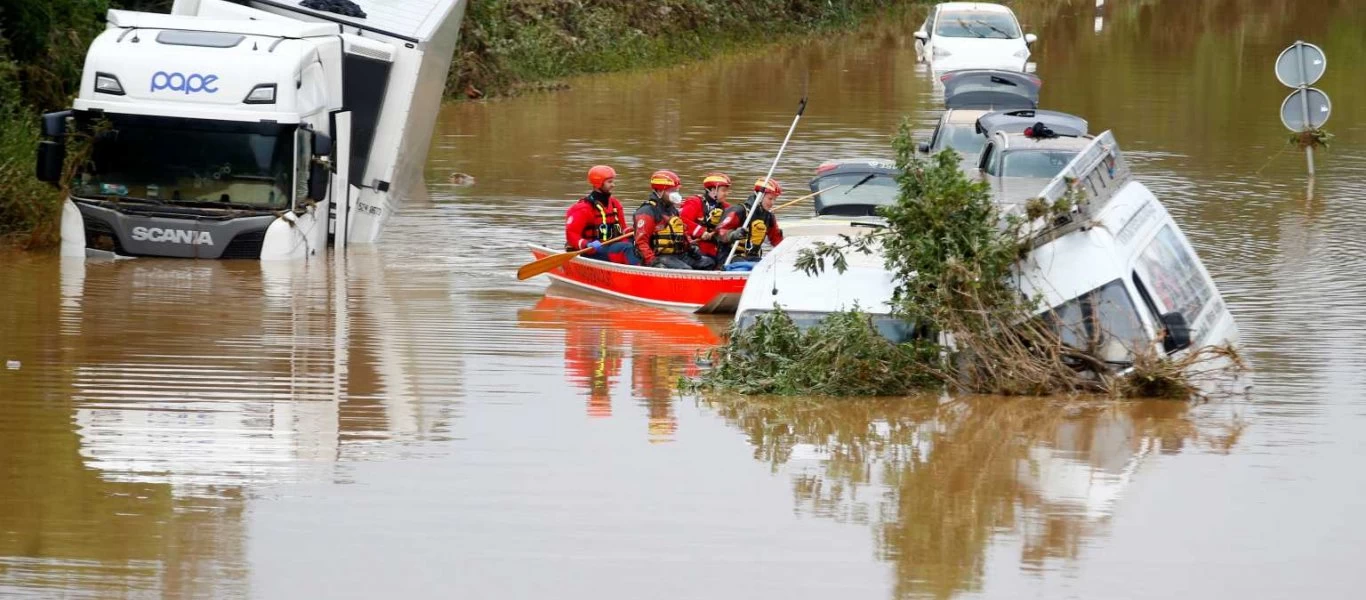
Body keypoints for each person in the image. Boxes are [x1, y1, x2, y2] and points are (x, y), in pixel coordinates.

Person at [631, 170, 716, 270]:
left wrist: (691, 247)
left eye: (676, 190)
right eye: (672, 191)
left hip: (677, 254)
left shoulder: (672, 210)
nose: (675, 194)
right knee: (685, 270)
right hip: (660, 256)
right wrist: (652, 261)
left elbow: (682, 232)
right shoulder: (647, 212)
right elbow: (641, 242)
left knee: (708, 262)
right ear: (659, 191)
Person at [565, 165, 631, 263]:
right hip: (591, 251)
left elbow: (623, 228)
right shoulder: (583, 208)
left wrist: (633, 232)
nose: (613, 185)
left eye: (613, 181)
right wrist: (586, 244)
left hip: (611, 247)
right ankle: (642, 269)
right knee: (627, 248)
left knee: (637, 243)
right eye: (609, 182)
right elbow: (571, 234)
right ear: (598, 184)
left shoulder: (614, 204)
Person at [716, 177, 785, 266]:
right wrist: (733, 234)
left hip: (753, 258)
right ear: (759, 196)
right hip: (730, 257)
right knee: (752, 266)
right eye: (770, 199)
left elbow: (777, 240)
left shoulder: (769, 217)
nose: (772, 203)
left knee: (772, 265)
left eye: (774, 200)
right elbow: (719, 232)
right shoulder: (739, 211)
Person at [679, 172, 732, 264]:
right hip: (694, 248)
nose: (727, 193)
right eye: (724, 190)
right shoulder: (694, 202)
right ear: (713, 190)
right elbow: (682, 220)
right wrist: (701, 232)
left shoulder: (727, 207)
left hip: (716, 248)